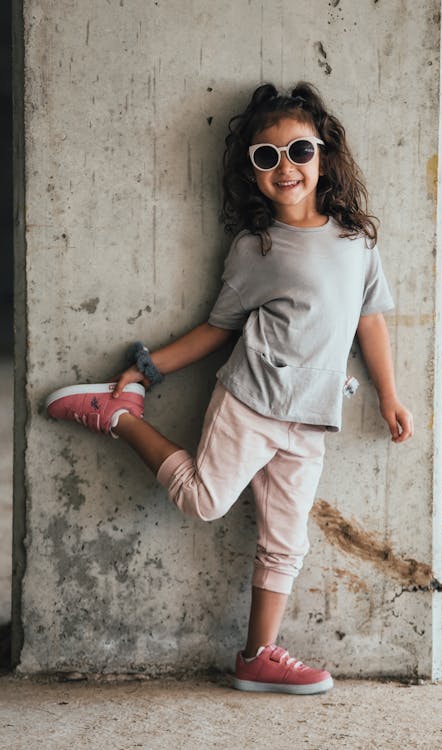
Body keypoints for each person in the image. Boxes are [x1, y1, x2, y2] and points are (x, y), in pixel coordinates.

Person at [46, 81, 414, 694]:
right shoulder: (256, 246)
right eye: (266, 157)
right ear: (252, 172)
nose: (286, 168)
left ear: (324, 155)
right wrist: (150, 367)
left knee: (285, 542)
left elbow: (369, 322)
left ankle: (257, 656)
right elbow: (217, 329)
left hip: (314, 417)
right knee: (204, 501)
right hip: (251, 401)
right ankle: (120, 416)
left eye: (299, 150)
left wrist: (390, 394)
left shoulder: (357, 243)